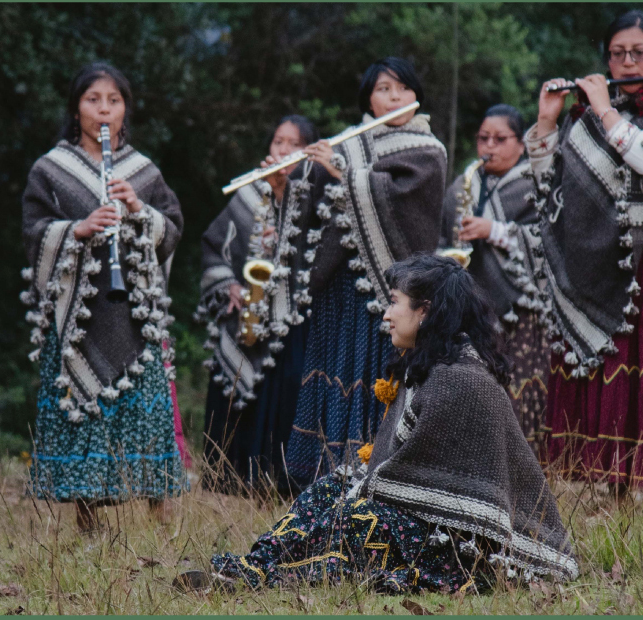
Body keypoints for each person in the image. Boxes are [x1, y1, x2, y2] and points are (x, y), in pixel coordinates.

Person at [177, 254, 578, 594]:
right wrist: (353, 485)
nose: (385, 315)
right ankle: (254, 567)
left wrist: (362, 492)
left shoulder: (460, 378)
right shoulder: (429, 366)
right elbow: (399, 468)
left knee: (357, 521)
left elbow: (439, 487)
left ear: (426, 311)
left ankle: (266, 579)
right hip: (427, 518)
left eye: (394, 303)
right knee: (329, 490)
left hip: (469, 542)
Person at [527, 10, 643, 511]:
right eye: (618, 53)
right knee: (614, 358)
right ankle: (617, 481)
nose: (628, 61)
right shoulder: (583, 119)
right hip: (600, 258)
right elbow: (549, 189)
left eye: (638, 52)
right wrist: (546, 123)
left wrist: (605, 110)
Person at [21, 62, 185, 530]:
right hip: (79, 315)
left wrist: (137, 209)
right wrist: (78, 229)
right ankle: (87, 524)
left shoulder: (142, 170)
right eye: (93, 100)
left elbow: (171, 229)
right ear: (77, 109)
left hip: (136, 314)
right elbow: (33, 233)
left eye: (113, 100)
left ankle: (161, 522)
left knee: (149, 415)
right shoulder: (51, 168)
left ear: (125, 109)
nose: (104, 109)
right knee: (85, 415)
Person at [282, 57, 448, 488]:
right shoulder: (350, 144)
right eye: (383, 90)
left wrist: (341, 170)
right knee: (335, 369)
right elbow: (316, 210)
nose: (394, 97)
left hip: (391, 295)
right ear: (368, 99)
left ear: (416, 95)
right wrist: (296, 177)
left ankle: (378, 476)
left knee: (377, 377)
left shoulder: (427, 150)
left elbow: (405, 205)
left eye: (402, 88)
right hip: (341, 287)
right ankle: (324, 479)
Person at [197, 115, 319, 493]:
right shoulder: (249, 190)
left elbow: (315, 253)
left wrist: (283, 197)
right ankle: (226, 482)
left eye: (293, 144)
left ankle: (274, 483)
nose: (282, 151)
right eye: (277, 142)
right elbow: (214, 244)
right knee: (231, 395)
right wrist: (228, 285)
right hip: (243, 315)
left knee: (282, 393)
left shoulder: (316, 192)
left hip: (289, 322)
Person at [439, 104, 547, 453]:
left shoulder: (535, 182)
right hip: (475, 308)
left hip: (521, 306)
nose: (490, 147)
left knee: (522, 387)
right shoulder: (463, 186)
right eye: (483, 138)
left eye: (500, 139)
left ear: (521, 143)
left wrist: (494, 230)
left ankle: (527, 466)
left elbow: (550, 241)